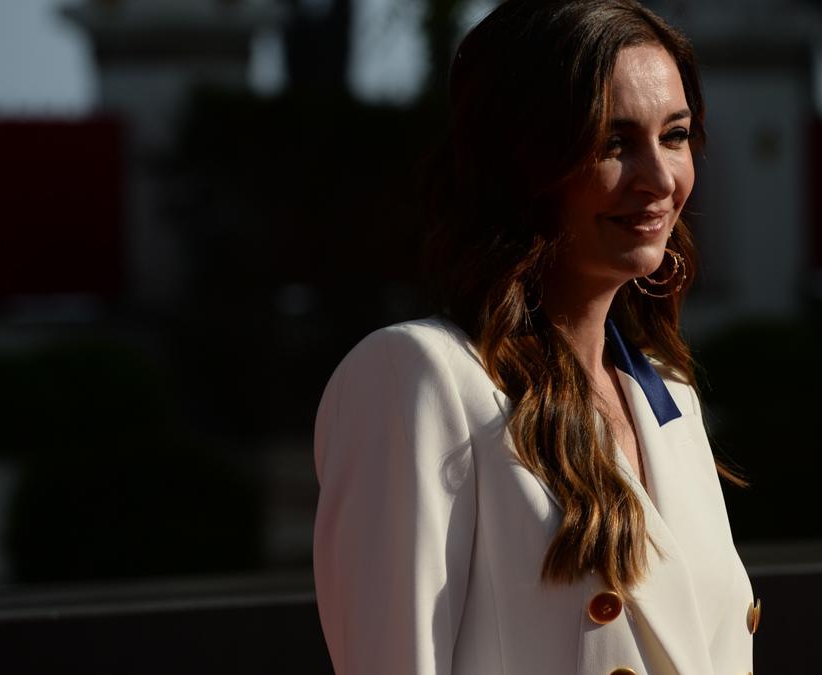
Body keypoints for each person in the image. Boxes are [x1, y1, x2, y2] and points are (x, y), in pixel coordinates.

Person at [312, 1, 758, 673]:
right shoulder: (416, 376)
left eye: (674, 135)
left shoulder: (668, 395)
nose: (662, 179)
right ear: (522, 163)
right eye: (613, 142)